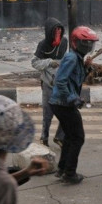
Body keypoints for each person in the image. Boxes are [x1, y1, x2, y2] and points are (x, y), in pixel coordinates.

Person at [49, 25, 98, 184]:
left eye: (91, 43)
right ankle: (69, 174)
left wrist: (86, 67)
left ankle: (62, 169)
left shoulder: (77, 58)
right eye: (86, 43)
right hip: (63, 103)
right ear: (77, 42)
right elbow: (60, 81)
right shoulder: (71, 58)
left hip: (61, 103)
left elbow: (74, 79)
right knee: (78, 137)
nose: (89, 47)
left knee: (70, 136)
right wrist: (72, 98)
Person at [31, 18, 68, 147]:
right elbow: (34, 62)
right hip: (48, 83)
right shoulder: (43, 45)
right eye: (55, 31)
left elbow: (64, 59)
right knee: (48, 113)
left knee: (66, 112)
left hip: (61, 83)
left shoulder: (64, 42)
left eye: (60, 31)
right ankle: (44, 137)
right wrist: (49, 62)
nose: (58, 34)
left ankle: (59, 137)